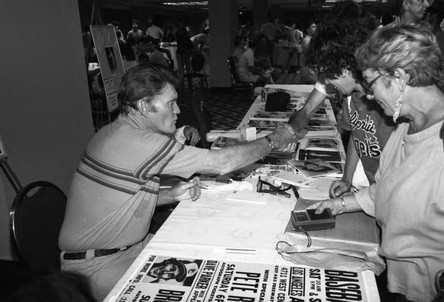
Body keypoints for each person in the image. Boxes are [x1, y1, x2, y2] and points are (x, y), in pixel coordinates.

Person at [58, 63, 296, 300]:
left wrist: (170, 195)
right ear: (144, 106)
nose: (178, 111)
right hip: (98, 267)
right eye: (170, 103)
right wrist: (273, 140)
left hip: (125, 248)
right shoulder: (137, 141)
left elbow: (120, 200)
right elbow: (221, 163)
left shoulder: (115, 131)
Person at [311, 24, 444, 302]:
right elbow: (386, 189)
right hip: (406, 284)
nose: (370, 94)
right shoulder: (406, 125)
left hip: (443, 289)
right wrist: (341, 204)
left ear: (398, 77)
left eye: (371, 83)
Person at [289, 1, 394, 196]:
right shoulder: (351, 97)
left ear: (347, 65)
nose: (325, 82)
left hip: (387, 195)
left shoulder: (386, 105)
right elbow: (357, 134)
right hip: (373, 190)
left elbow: (395, 176)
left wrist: (352, 202)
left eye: (327, 72)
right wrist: (347, 179)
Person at [299, 20, 318, 84]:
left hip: (311, 69)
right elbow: (311, 54)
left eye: (316, 27)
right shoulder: (307, 41)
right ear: (307, 30)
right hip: (309, 70)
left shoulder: (311, 40)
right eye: (313, 27)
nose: (316, 28)